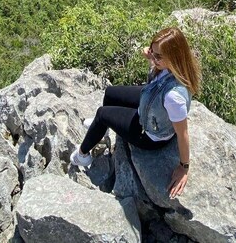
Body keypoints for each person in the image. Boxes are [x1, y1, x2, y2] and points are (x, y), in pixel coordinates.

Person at [70, 27, 201, 198]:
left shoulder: (173, 96)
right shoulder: (172, 68)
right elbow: (156, 69)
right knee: (110, 92)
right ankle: (101, 130)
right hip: (151, 103)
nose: (153, 57)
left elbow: (182, 134)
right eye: (153, 52)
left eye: (158, 56)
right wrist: (153, 57)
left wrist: (184, 167)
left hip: (149, 134)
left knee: (102, 114)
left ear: (174, 57)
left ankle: (83, 155)